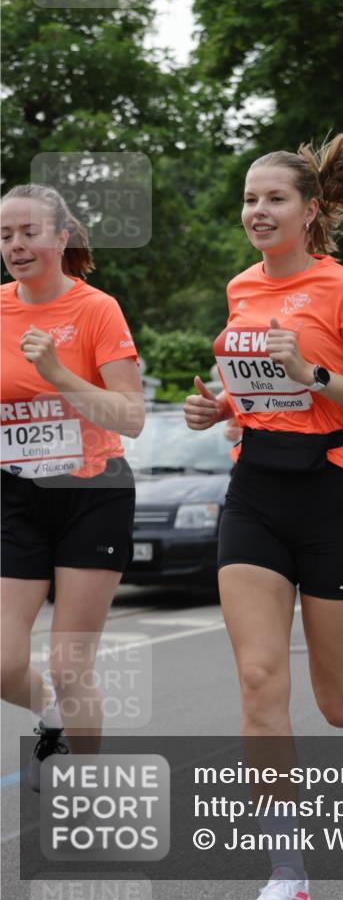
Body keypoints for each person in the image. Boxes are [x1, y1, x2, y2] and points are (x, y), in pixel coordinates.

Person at [184, 115, 343, 900]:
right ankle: (287, 870)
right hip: (256, 490)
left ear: (309, 210)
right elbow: (261, 390)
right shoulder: (240, 286)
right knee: (259, 680)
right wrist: (222, 406)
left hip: (336, 494)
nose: (257, 211)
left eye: (273, 198)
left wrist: (315, 374)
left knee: (338, 700)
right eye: (249, 199)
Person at [0, 184, 144, 790]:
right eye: (6, 235)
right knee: (3, 663)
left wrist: (56, 372)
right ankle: (52, 717)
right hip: (15, 495)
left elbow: (131, 417)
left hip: (92, 493)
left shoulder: (96, 309)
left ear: (62, 238)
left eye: (29, 232)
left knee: (69, 663)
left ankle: (83, 787)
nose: (16, 246)